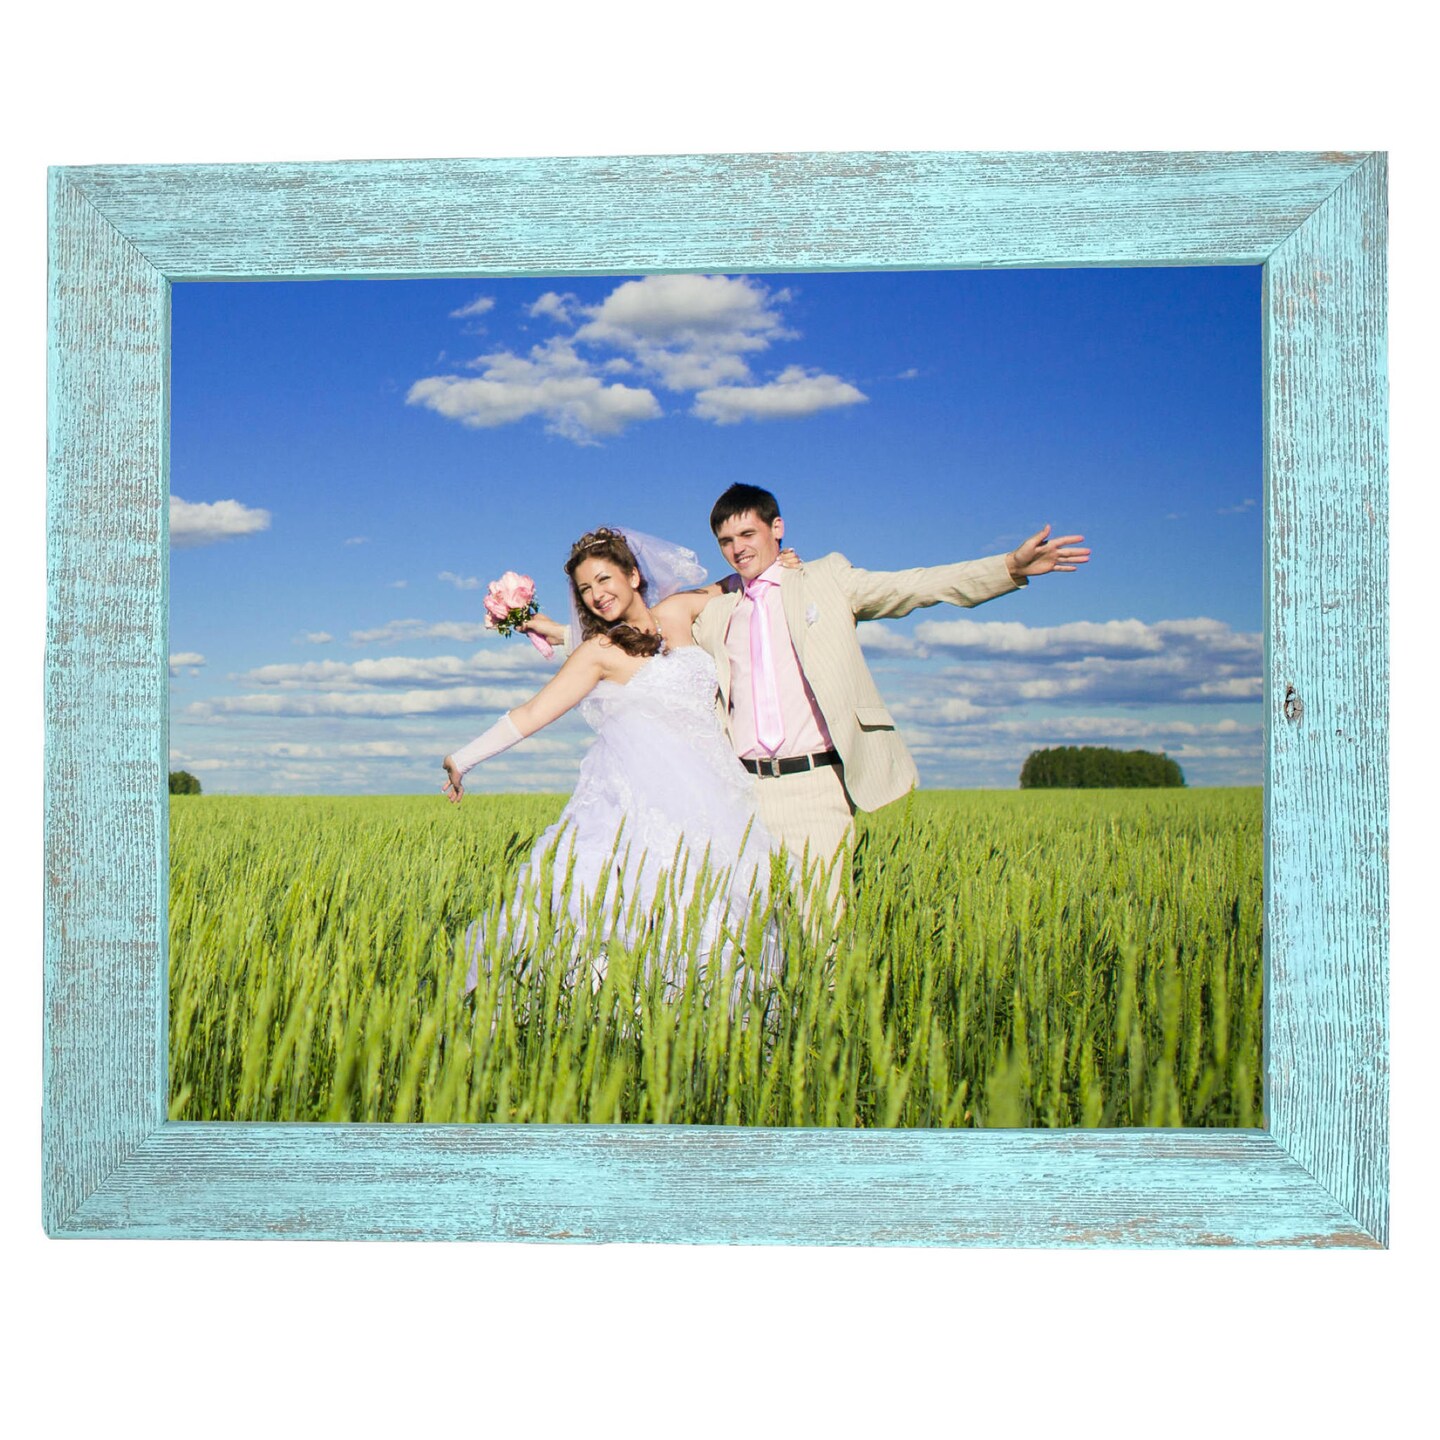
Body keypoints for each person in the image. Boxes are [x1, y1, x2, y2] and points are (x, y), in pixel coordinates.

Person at [691, 483, 1091, 908]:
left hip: (815, 786)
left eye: (747, 534)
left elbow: (913, 586)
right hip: (742, 791)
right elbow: (655, 616)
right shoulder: (716, 611)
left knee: (820, 925)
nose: (737, 548)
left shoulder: (825, 579)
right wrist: (717, 587)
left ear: (777, 528)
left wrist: (1008, 566)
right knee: (749, 926)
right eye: (726, 541)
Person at [442, 527, 780, 998]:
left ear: (634, 575)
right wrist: (462, 759)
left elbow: (735, 582)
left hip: (717, 794)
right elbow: (533, 713)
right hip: (647, 802)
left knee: (724, 909)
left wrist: (782, 564)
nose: (596, 594)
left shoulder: (679, 612)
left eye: (604, 579)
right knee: (648, 909)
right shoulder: (599, 652)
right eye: (585, 589)